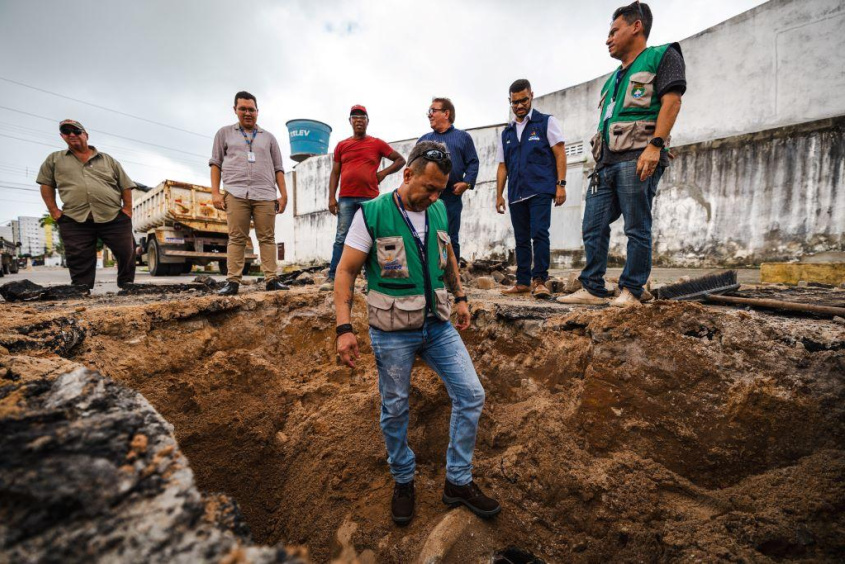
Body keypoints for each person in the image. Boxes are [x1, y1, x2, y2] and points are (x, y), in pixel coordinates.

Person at [334, 141, 501, 525]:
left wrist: (460, 296)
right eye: (428, 188)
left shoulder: (439, 208)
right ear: (407, 174)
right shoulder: (371, 214)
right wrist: (344, 328)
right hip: (392, 331)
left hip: (437, 325)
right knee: (395, 409)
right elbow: (345, 271)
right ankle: (403, 479)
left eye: (440, 189)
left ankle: (457, 481)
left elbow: (448, 255)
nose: (434, 196)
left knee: (472, 395)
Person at [559, 1, 685, 308]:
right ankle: (592, 286)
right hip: (606, 164)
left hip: (638, 158)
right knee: (593, 225)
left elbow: (672, 102)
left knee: (636, 226)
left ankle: (632, 289)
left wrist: (655, 146)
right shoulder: (613, 79)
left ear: (636, 26)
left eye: (614, 30)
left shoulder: (662, 55)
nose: (608, 38)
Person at [37, 119, 136, 289]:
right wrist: (54, 211)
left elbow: (125, 185)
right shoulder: (54, 159)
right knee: (78, 256)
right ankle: (81, 289)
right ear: (62, 136)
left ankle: (127, 285)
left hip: (113, 216)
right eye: (66, 132)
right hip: (75, 218)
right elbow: (46, 185)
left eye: (76, 131)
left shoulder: (107, 160)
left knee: (126, 251)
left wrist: (127, 209)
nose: (72, 135)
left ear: (86, 135)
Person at [210, 91, 289, 295]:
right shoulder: (224, 134)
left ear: (257, 112)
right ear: (235, 110)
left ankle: (272, 279)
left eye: (251, 109)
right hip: (236, 193)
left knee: (267, 237)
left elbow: (279, 167)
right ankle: (233, 281)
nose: (247, 113)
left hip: (264, 193)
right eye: (243, 109)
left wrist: (283, 194)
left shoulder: (269, 138)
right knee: (237, 237)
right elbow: (216, 164)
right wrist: (215, 193)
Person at [319, 105, 405, 291]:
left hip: (370, 200)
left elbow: (400, 160)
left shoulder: (377, 143)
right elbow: (335, 173)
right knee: (342, 237)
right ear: (350, 121)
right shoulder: (342, 145)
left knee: (374, 237)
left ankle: (372, 280)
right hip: (346, 199)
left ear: (367, 121)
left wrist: (382, 173)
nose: (359, 120)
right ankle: (333, 277)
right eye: (355, 117)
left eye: (362, 117)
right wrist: (331, 198)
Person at [496, 79, 567, 299]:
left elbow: (560, 153)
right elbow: (502, 166)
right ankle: (523, 281)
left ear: (531, 96)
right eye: (514, 102)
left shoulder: (545, 122)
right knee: (521, 239)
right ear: (510, 102)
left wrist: (561, 185)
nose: (519, 105)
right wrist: (499, 194)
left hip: (540, 189)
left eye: (523, 100)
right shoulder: (506, 133)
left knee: (539, 234)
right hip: (516, 193)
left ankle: (540, 280)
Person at [416, 97, 479, 265]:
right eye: (429, 112)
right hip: (426, 197)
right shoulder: (424, 140)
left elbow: (473, 162)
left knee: (450, 237)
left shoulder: (463, 137)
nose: (429, 115)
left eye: (433, 111)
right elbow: (413, 165)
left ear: (446, 113)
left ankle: (451, 276)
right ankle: (428, 272)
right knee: (425, 234)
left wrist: (467, 183)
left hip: (451, 196)